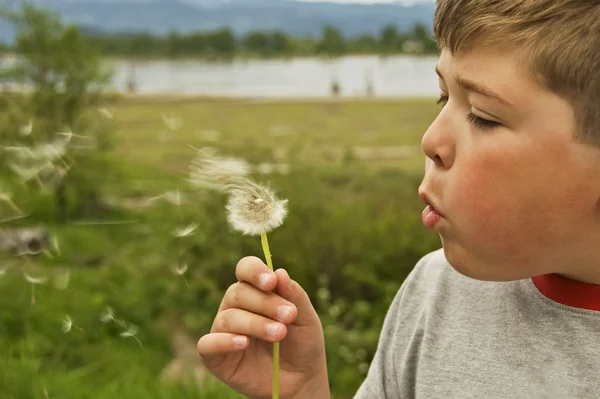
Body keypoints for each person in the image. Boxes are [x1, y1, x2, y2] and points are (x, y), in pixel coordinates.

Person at [197, 0, 600, 397]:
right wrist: (303, 392)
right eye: (443, 97)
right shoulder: (435, 290)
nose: (431, 140)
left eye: (482, 116)